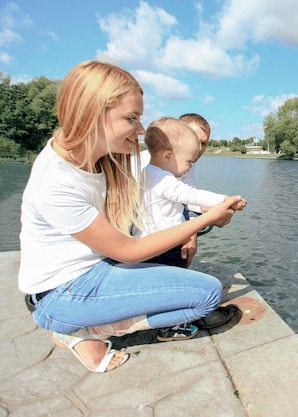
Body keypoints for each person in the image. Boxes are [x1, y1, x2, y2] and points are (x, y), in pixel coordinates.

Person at [18, 60, 244, 373]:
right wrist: (205, 219)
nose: (140, 129)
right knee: (206, 295)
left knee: (196, 288)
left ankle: (90, 322)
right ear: (92, 114)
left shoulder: (102, 157)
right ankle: (85, 330)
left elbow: (168, 188)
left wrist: (198, 220)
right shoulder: (56, 182)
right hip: (62, 292)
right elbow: (129, 250)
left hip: (96, 269)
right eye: (132, 118)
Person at [134, 116, 246, 268]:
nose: (199, 149)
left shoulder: (166, 164)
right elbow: (190, 195)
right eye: (194, 140)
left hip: (152, 240)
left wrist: (206, 210)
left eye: (204, 143)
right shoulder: (155, 171)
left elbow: (187, 197)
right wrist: (227, 200)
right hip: (160, 246)